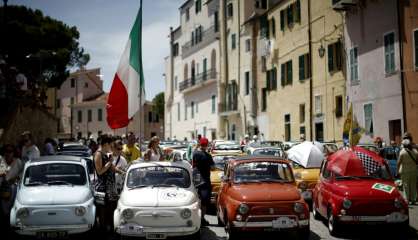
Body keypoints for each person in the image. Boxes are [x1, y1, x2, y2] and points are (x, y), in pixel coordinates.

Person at [94, 134, 124, 232]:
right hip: (102, 189)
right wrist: (110, 162)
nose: (111, 147)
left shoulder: (106, 154)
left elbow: (112, 168)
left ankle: (110, 230)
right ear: (106, 144)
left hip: (110, 188)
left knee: (111, 211)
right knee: (102, 213)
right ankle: (103, 232)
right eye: (110, 145)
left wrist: (123, 172)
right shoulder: (98, 154)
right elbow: (99, 171)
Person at [192, 137, 214, 226]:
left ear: (200, 144)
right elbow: (212, 167)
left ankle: (195, 217)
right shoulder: (208, 156)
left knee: (196, 200)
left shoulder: (195, 153)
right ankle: (202, 219)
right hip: (205, 181)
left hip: (196, 179)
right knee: (204, 202)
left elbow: (193, 165)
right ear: (207, 145)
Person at [0, 144, 23, 225]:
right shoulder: (1, 160)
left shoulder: (18, 162)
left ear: (14, 153)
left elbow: (22, 174)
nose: (8, 153)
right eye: (6, 151)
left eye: (10, 151)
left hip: (14, 187)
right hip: (3, 187)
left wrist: (16, 178)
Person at [397, 138, 417, 205]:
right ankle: (414, 199)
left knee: (406, 185)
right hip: (414, 171)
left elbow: (399, 162)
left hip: (405, 171)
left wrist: (397, 171)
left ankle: (407, 200)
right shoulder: (415, 151)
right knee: (413, 185)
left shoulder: (402, 152)